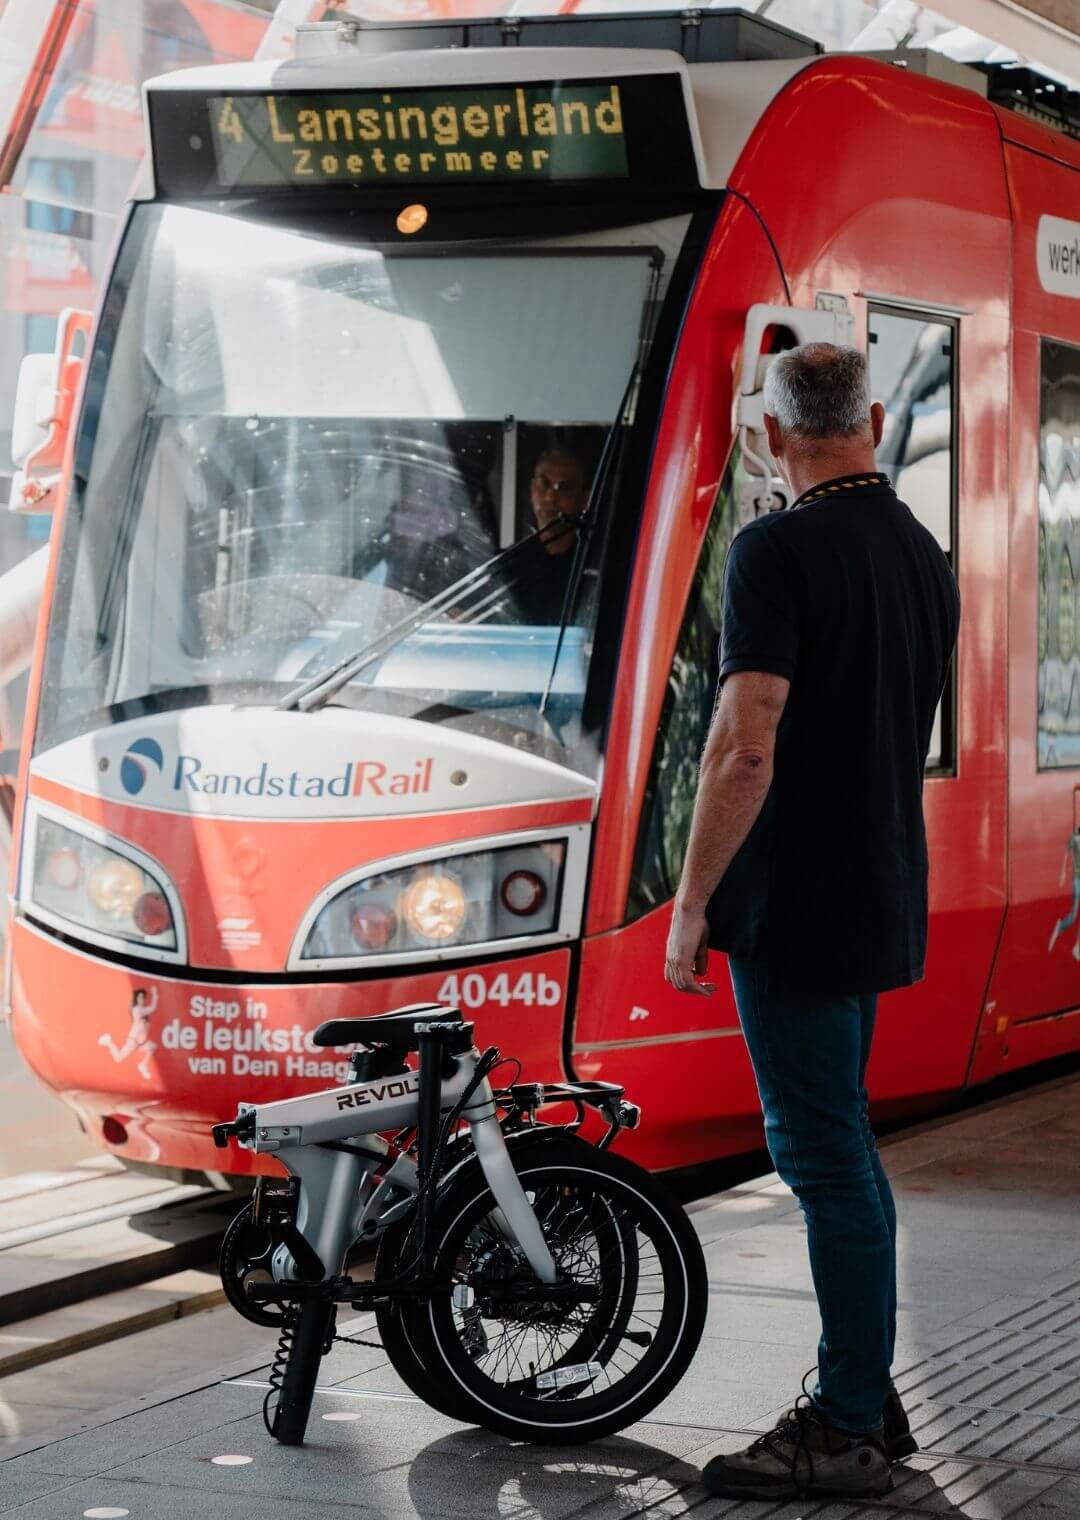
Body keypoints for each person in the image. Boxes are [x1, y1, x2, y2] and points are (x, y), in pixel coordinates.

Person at [663, 343, 960, 1503]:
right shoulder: (918, 549)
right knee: (844, 1145)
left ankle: (841, 1423)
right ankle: (866, 1393)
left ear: (772, 436)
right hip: (876, 883)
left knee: (824, 1155)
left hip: (794, 899)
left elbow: (747, 742)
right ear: (875, 420)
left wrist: (693, 898)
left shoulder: (775, 549)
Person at [511, 444, 591, 625]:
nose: (550, 497)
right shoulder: (509, 566)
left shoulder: (594, 566)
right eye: (544, 484)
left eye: (565, 488)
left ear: (585, 500)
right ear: (532, 490)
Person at [99, 987, 159, 1082]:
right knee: (118, 1058)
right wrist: (155, 994)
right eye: (139, 997)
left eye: (143, 997)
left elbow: (145, 1026)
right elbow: (153, 1008)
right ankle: (109, 1042)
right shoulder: (137, 1009)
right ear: (136, 998)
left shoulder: (143, 1011)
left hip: (141, 1042)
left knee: (153, 1047)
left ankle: (143, 1065)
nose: (141, 999)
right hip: (134, 1040)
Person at [1048, 825, 1080, 957]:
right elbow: (1066, 853)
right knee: (1073, 916)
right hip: (1077, 879)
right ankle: (1060, 926)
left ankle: (1078, 946)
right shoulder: (1074, 837)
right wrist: (1063, 872)